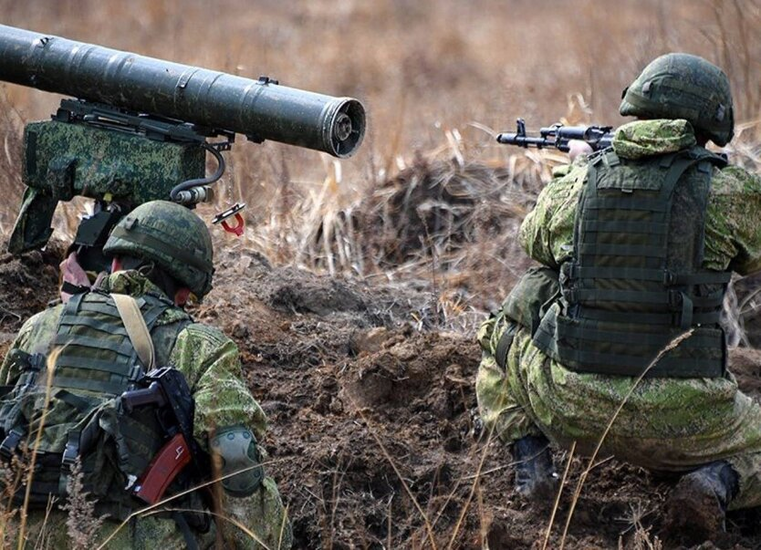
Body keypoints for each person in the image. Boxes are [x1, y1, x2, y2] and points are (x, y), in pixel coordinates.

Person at [476, 52, 761, 540]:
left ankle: (531, 460)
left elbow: (536, 242)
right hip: (690, 420)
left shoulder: (584, 180)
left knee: (498, 338)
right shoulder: (730, 191)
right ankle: (714, 480)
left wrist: (573, 172)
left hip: (569, 407)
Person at [0, 201, 292, 549]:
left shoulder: (39, 326)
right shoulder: (197, 343)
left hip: (19, 531)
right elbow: (234, 453)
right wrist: (268, 539)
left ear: (117, 261)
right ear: (181, 290)